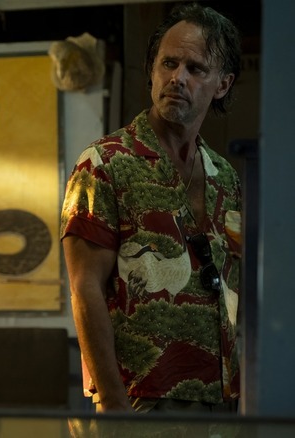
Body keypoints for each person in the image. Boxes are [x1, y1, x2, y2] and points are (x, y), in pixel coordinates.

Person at [61, 2, 243, 415]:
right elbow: (84, 287)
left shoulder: (225, 178)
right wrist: (112, 402)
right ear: (152, 71)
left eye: (195, 69)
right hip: (139, 398)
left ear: (223, 84)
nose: (177, 78)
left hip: (222, 401)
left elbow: (235, 286)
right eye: (169, 63)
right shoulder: (104, 163)